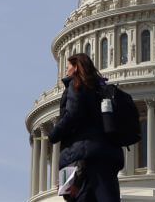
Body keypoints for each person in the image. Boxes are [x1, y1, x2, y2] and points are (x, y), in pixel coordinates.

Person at [49, 53, 123, 202]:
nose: (66, 72)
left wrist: (54, 134)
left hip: (80, 157)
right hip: (106, 154)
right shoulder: (102, 88)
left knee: (74, 196)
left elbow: (72, 114)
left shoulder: (76, 84)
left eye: (68, 67)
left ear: (76, 67)